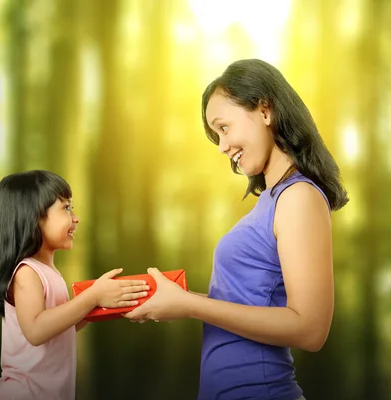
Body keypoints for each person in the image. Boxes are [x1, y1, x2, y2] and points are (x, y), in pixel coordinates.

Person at [125, 59, 348, 400]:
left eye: (224, 128)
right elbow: (246, 303)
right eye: (216, 135)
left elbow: (310, 328)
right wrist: (176, 299)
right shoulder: (271, 200)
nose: (222, 147)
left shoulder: (299, 196)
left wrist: (189, 306)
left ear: (264, 109)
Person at [0, 170, 150, 400]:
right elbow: (36, 330)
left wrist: (104, 306)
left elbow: (60, 327)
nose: (76, 217)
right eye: (66, 208)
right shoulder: (27, 272)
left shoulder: (50, 272)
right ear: (34, 217)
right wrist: (92, 297)